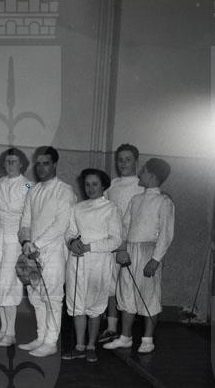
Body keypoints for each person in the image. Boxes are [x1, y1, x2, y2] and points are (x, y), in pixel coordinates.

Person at [104, 158, 174, 354]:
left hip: (149, 252)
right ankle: (125, 337)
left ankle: (148, 339)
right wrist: (122, 250)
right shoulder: (135, 200)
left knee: (149, 295)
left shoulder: (164, 202)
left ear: (151, 176)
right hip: (130, 251)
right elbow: (125, 227)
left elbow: (166, 234)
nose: (140, 174)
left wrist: (155, 260)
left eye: (143, 171)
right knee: (126, 292)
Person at [18, 146, 76, 357]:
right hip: (32, 252)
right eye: (38, 164)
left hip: (53, 252)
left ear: (54, 164)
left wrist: (36, 244)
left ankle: (51, 342)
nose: (41, 168)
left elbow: (61, 224)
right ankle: (41, 337)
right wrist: (26, 241)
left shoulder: (65, 190)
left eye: (46, 163)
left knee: (52, 297)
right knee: (36, 296)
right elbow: (25, 220)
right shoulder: (33, 190)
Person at [62, 169, 122, 363]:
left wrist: (90, 246)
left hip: (99, 263)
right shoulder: (77, 208)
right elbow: (70, 232)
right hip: (78, 261)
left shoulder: (111, 208)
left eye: (94, 184)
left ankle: (91, 346)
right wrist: (72, 242)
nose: (90, 188)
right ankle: (79, 346)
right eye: (87, 184)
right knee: (77, 305)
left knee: (95, 306)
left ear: (103, 186)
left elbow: (115, 240)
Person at [0, 148, 32, 347]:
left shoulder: (28, 184)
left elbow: (30, 217)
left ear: (22, 164)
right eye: (7, 161)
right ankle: (3, 328)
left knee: (8, 282)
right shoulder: (0, 182)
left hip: (14, 238)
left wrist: (27, 241)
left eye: (14, 161)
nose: (10, 165)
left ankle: (11, 332)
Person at [99, 143, 144, 344]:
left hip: (131, 245)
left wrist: (125, 245)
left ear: (136, 161)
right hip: (111, 243)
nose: (123, 163)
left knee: (127, 289)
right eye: (120, 160)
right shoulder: (112, 185)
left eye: (128, 160)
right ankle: (111, 329)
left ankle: (127, 334)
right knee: (110, 287)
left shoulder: (142, 186)